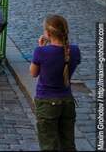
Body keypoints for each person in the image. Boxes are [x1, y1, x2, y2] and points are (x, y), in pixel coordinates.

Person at [30, 15, 81, 151]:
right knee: (68, 143)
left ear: (47, 33)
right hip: (67, 101)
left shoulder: (41, 52)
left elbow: (33, 73)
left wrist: (40, 48)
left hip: (47, 102)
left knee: (48, 144)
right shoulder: (75, 51)